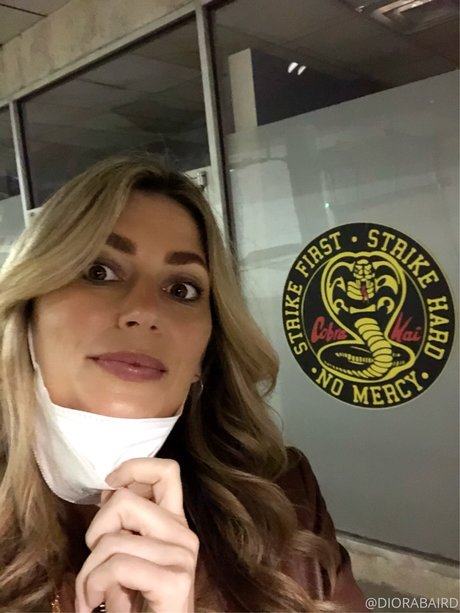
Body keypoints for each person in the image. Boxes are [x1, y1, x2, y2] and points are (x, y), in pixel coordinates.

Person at [0, 154, 367, 613]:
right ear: (28, 315)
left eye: (181, 290)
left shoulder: (284, 504)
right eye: (99, 271)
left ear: (202, 357)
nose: (145, 311)